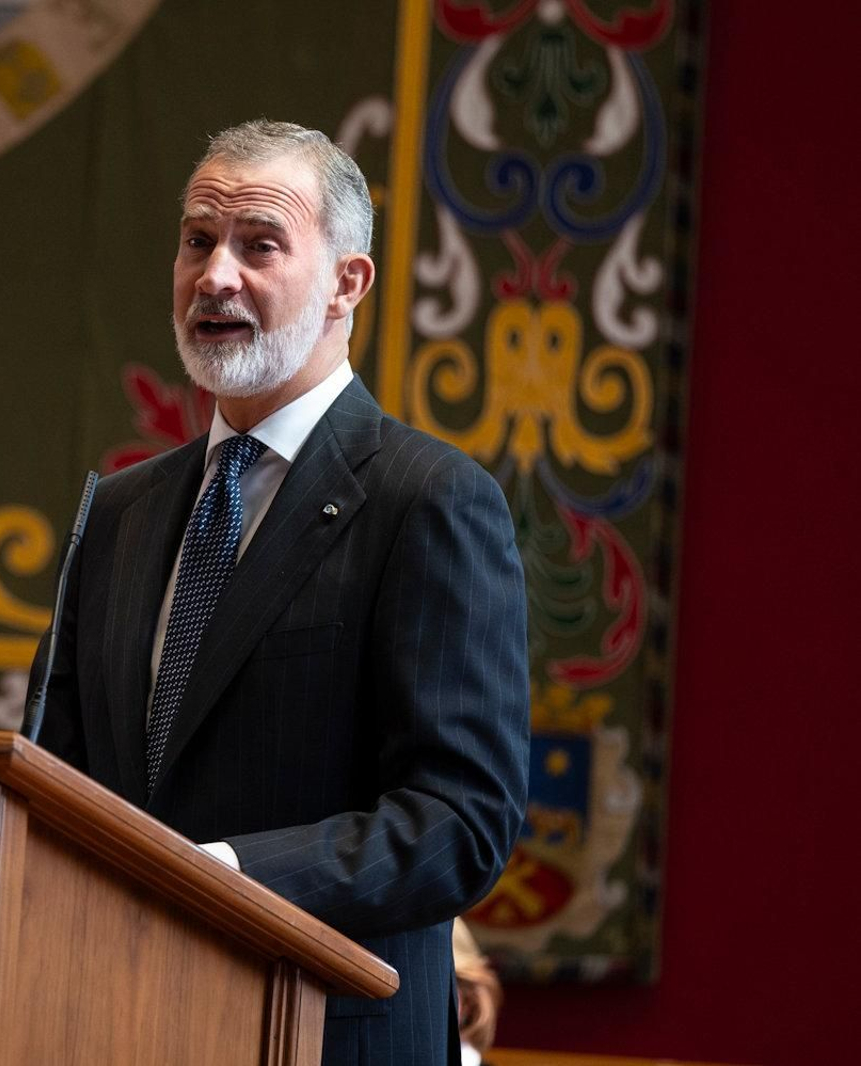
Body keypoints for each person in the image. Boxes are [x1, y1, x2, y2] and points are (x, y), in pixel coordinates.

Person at [34, 120, 529, 1065]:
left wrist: (225, 876)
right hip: (106, 1026)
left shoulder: (428, 502)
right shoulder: (119, 513)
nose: (216, 274)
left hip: (317, 1035)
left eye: (259, 244)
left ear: (348, 282)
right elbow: (54, 787)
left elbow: (459, 824)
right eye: (197, 241)